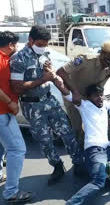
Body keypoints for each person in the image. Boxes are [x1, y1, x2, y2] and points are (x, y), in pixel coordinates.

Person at [10, 25, 82, 185]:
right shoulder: (18, 59)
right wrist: (43, 79)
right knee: (44, 140)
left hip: (50, 100)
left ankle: (78, 162)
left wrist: (58, 82)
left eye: (45, 44)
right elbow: (17, 87)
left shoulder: (44, 54)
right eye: (40, 44)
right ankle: (57, 166)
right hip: (32, 106)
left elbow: (50, 73)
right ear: (31, 40)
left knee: (67, 133)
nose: (43, 48)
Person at [53, 82, 110, 205]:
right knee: (99, 181)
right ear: (89, 98)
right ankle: (71, 203)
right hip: (95, 151)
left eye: (101, 95)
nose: (100, 98)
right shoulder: (85, 105)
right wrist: (56, 79)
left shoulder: (105, 106)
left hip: (108, 150)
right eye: (96, 96)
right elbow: (67, 94)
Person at [57, 41, 110, 145]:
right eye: (108, 58)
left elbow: (99, 88)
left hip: (90, 98)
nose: (109, 62)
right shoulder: (86, 60)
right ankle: (80, 156)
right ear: (102, 53)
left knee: (104, 125)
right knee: (77, 127)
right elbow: (60, 72)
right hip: (73, 96)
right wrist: (75, 92)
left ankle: (109, 149)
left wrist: (102, 100)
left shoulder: (108, 70)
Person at [0, 31, 33, 202]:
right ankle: (11, 192)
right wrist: (10, 103)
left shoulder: (7, 58)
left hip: (4, 112)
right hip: (1, 112)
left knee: (2, 146)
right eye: (16, 44)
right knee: (17, 149)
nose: (17, 47)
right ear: (11, 45)